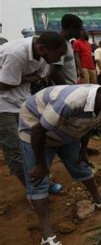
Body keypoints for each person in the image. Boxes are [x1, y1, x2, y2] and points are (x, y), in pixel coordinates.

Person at [18, 84, 101, 245]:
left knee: (81, 165)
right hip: (35, 131)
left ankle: (99, 201)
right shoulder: (71, 102)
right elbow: (38, 131)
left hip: (66, 131)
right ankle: (47, 233)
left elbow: (88, 125)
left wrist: (83, 150)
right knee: (38, 180)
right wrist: (42, 166)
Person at [0, 32, 66, 187]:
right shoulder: (15, 53)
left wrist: (18, 78)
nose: (58, 60)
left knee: (31, 141)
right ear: (42, 48)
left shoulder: (44, 56)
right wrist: (25, 78)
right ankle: (34, 187)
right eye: (57, 55)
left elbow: (40, 77)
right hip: (2, 105)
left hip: (22, 101)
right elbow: (3, 84)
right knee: (14, 149)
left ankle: (39, 179)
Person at [51, 14, 83, 85]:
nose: (81, 32)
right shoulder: (60, 43)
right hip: (65, 90)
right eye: (79, 29)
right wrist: (66, 90)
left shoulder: (67, 43)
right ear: (72, 28)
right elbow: (54, 71)